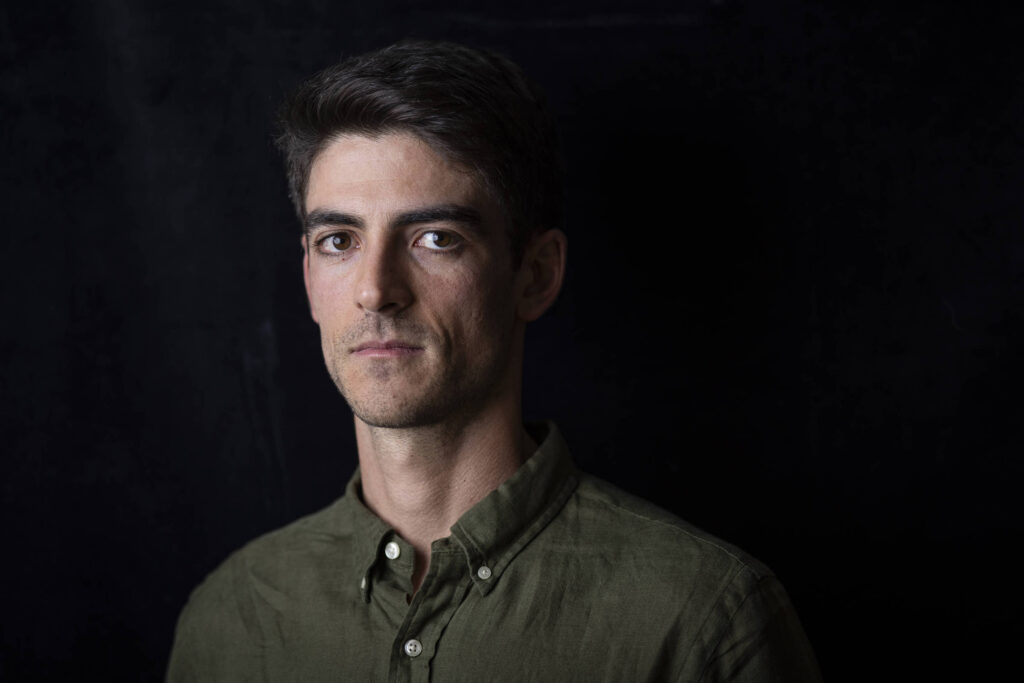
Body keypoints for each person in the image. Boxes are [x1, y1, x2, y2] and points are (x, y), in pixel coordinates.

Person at [167, 40, 822, 682]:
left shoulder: (702, 620)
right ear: (310, 277)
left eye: (435, 238)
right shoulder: (232, 618)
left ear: (535, 275)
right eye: (339, 240)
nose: (374, 290)